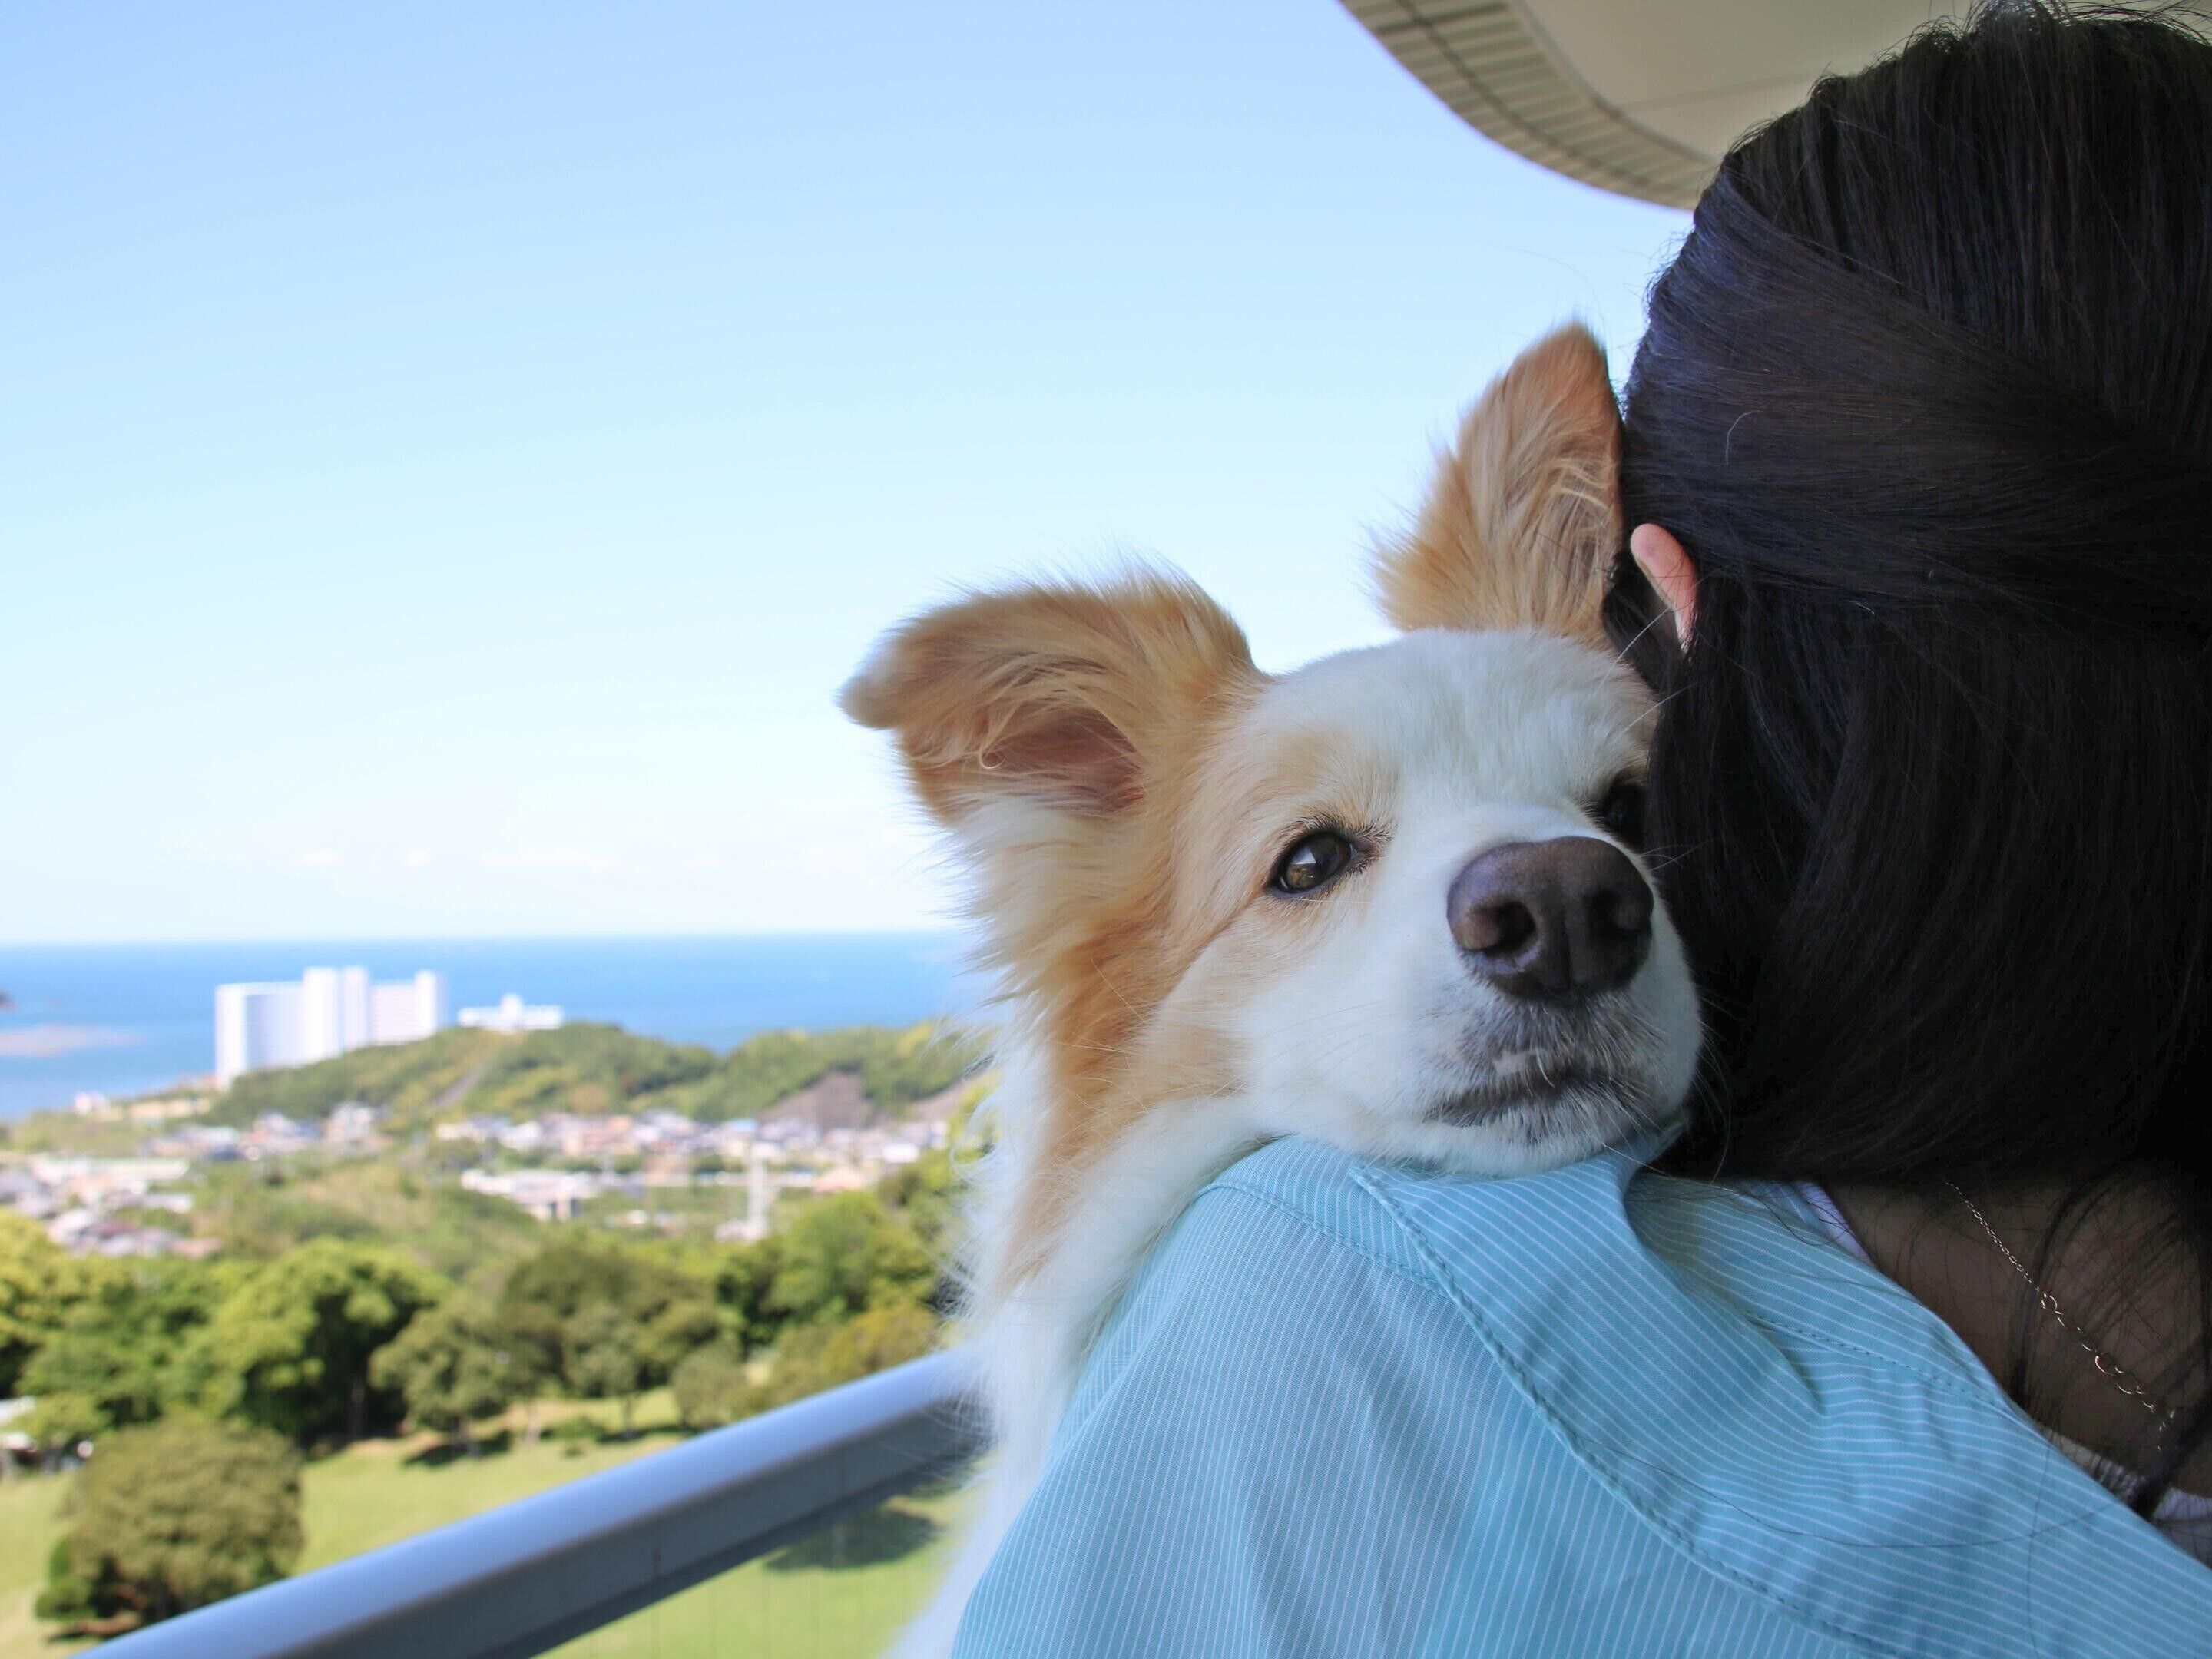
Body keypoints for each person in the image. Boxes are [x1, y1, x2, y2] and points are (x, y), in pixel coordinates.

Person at [945, 5, 2212, 1653]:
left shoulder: (1332, 1292)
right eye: (1316, 859)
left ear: (1675, 610)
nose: (1553, 890)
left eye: (1618, 812)